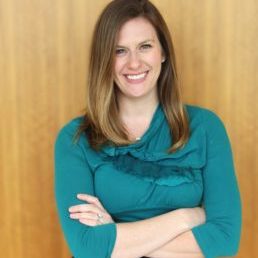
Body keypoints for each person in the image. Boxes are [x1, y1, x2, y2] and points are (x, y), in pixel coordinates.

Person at [54, 0, 242, 257]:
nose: (134, 63)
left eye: (145, 46)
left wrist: (115, 232)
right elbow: (87, 247)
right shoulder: (75, 139)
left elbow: (224, 242)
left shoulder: (206, 128)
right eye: (119, 51)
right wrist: (187, 217)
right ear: (104, 60)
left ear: (163, 52)